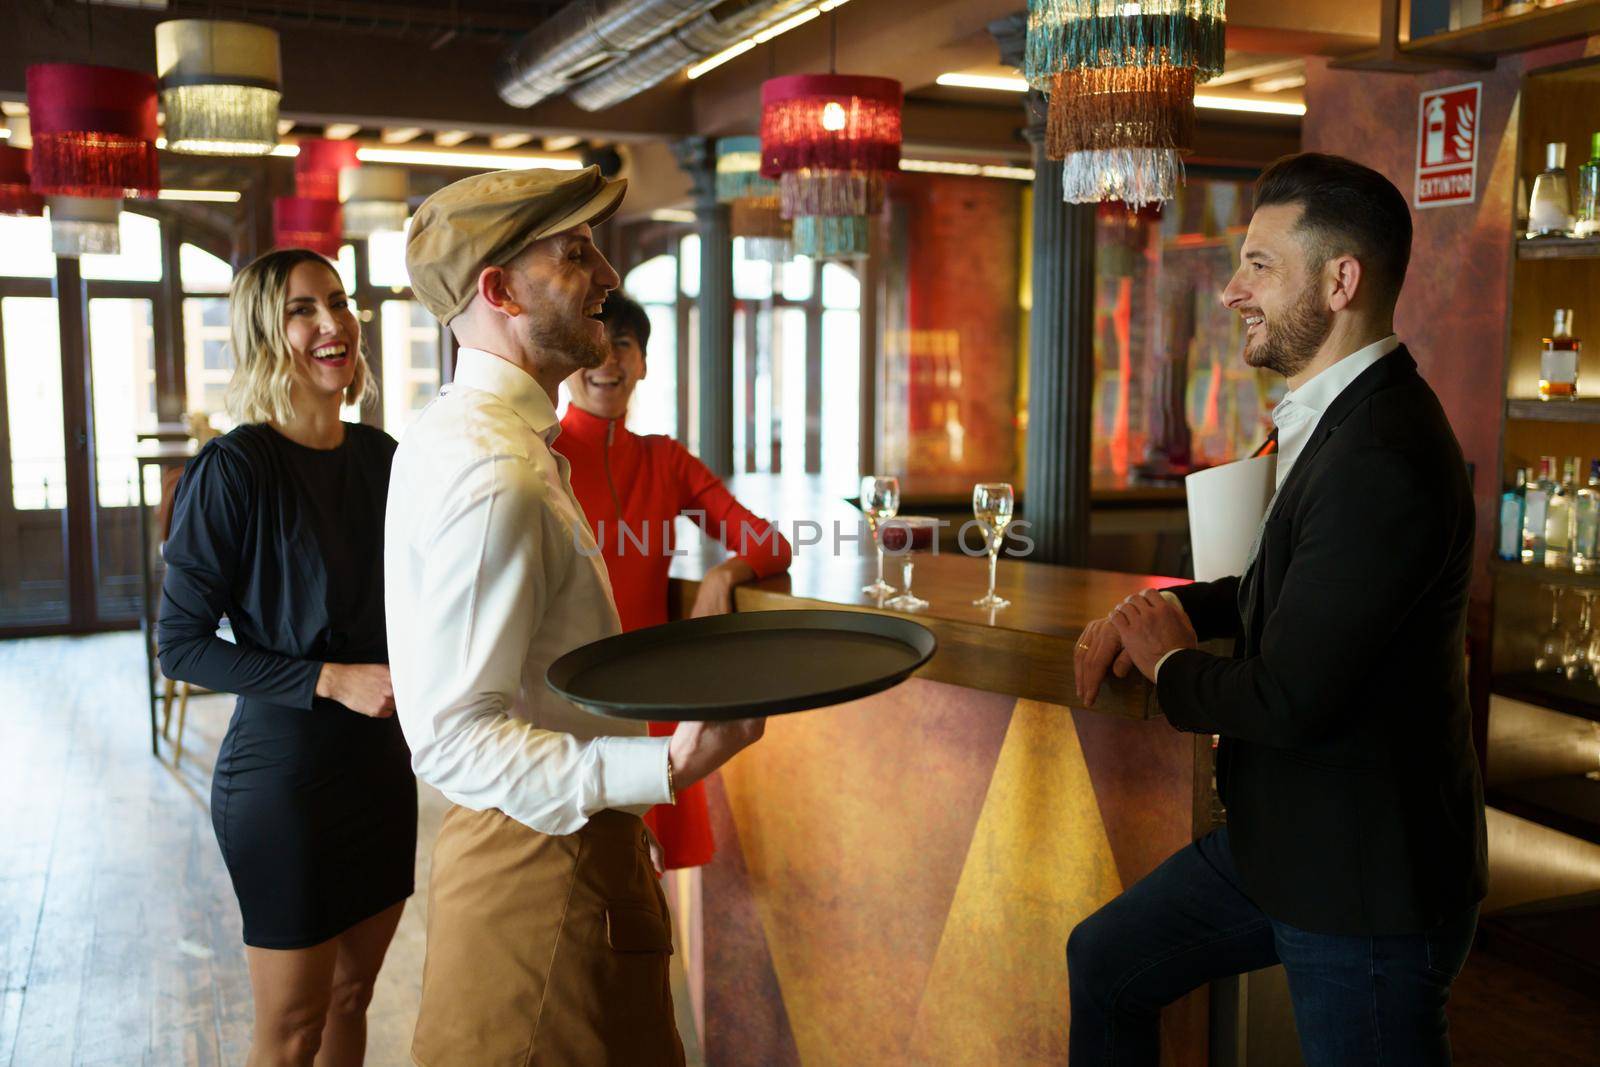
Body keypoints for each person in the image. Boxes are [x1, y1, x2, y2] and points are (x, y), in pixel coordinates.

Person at [1069, 153, 1486, 1066]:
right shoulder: (1343, 418)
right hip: (1283, 850)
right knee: (1104, 961)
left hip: (1364, 887)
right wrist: (1151, 613)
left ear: (1341, 281)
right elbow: (1282, 587)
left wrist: (1173, 662)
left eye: (1259, 264)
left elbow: (1291, 698)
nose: (1230, 291)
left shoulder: (1384, 451)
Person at [386, 165, 766, 1067]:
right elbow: (450, 736)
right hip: (537, 871)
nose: (608, 275)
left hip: (549, 854)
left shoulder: (474, 437)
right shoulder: (497, 470)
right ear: (499, 289)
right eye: (576, 252)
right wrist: (664, 761)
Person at [158, 248, 416, 1067]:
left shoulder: (385, 458)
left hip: (381, 767)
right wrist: (328, 678)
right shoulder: (234, 470)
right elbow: (181, 642)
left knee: (352, 995)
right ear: (267, 333)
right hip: (284, 782)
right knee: (291, 1028)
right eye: (303, 309)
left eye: (338, 303)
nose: (332, 324)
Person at [554, 290, 792, 870]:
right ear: (568, 362)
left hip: (653, 696)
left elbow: (771, 543)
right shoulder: (542, 454)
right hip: (566, 697)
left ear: (642, 364)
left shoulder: (665, 460)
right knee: (579, 875)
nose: (607, 361)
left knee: (646, 882)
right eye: (593, 347)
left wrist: (725, 574)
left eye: (624, 346)